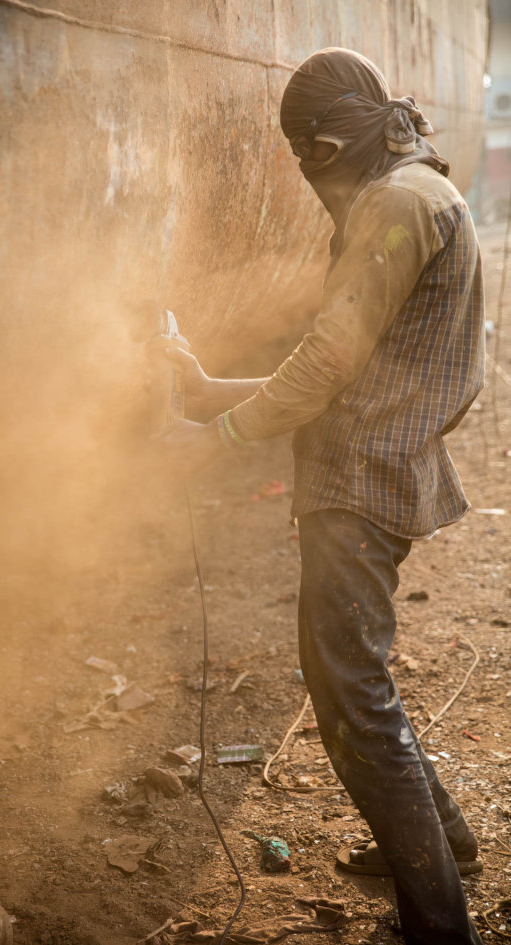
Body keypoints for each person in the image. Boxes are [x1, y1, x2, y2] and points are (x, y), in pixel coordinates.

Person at [158, 47, 485, 945]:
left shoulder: (392, 205)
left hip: (359, 487)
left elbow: (330, 365)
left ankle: (439, 922)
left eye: (305, 158)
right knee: (359, 683)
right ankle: (443, 842)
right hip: (383, 465)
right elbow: (348, 369)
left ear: (328, 143)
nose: (307, 179)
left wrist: (215, 438)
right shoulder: (422, 191)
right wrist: (211, 387)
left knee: (352, 696)